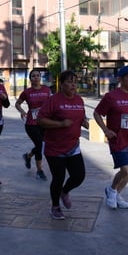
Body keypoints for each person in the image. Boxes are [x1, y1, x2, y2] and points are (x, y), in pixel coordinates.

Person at [93, 65, 128, 210]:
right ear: (121, 79)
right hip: (117, 140)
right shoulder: (111, 96)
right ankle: (112, 190)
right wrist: (105, 130)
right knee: (127, 169)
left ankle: (117, 194)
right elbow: (97, 113)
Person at [37, 70, 89, 220]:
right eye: (70, 81)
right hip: (54, 147)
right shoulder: (53, 100)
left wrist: (84, 122)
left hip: (73, 146)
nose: (73, 85)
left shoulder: (79, 100)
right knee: (58, 178)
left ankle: (65, 192)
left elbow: (81, 115)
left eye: (75, 82)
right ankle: (55, 207)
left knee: (79, 176)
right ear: (62, 84)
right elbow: (41, 120)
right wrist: (60, 124)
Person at [15, 69, 51, 180]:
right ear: (30, 79)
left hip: (45, 122)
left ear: (40, 78)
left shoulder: (47, 89)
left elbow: (52, 104)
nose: (36, 77)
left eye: (37, 75)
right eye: (33, 76)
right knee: (40, 145)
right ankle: (39, 171)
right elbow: (17, 104)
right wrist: (22, 111)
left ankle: (28, 156)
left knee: (42, 145)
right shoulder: (27, 92)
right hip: (32, 123)